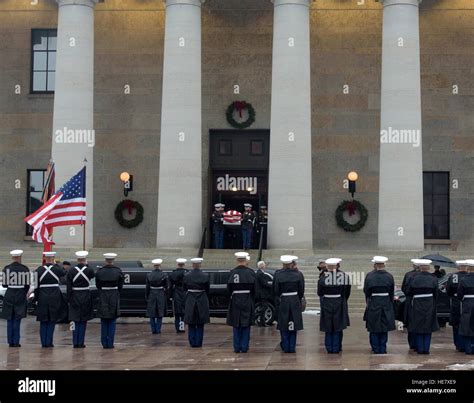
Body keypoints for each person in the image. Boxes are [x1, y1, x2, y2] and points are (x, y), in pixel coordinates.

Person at [405, 259, 439, 354]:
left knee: (418, 325)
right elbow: (436, 292)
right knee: (428, 326)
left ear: (420, 267)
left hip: (417, 303)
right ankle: (426, 349)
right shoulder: (433, 277)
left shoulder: (413, 277)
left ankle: (420, 349)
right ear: (428, 267)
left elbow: (408, 291)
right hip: (429, 303)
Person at [363, 256, 396, 354]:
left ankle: (375, 348)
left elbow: (366, 291)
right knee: (384, 326)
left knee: (373, 326)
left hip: (374, 302)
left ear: (375, 265)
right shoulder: (389, 276)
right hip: (385, 302)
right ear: (384, 265)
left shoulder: (369, 276)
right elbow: (391, 291)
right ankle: (382, 347)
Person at [317, 258, 351, 354]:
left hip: (327, 302)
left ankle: (329, 347)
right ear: (337, 265)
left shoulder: (323, 277)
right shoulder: (344, 276)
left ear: (327, 266)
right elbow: (347, 292)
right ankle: (336, 347)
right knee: (338, 326)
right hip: (339, 302)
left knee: (328, 326)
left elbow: (319, 292)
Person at [273, 255, 305, 353]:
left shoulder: (278, 274)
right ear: (291, 263)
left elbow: (275, 290)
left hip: (284, 300)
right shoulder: (298, 274)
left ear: (283, 264)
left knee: (284, 324)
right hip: (294, 300)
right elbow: (301, 290)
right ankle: (292, 347)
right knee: (293, 324)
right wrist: (297, 298)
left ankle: (286, 346)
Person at [35, 251, 66, 348]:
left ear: (45, 259)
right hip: (54, 295)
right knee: (52, 319)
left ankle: (43, 342)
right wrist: (57, 264)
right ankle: (49, 342)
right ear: (53, 258)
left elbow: (36, 286)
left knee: (43, 320)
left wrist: (36, 298)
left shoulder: (39, 270)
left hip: (43, 296)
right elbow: (64, 272)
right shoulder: (57, 269)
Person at [227, 251, 256, 353]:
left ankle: (236, 347)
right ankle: (244, 347)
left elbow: (229, 289)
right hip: (247, 298)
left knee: (236, 324)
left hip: (235, 299)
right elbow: (254, 289)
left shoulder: (232, 272)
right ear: (245, 260)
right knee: (246, 324)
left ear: (237, 260)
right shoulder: (251, 272)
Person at [0, 250, 30, 347]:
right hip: (20, 293)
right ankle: (16, 341)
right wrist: (23, 292)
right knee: (17, 318)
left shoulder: (6, 269)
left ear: (12, 257)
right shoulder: (24, 269)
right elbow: (27, 285)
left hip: (10, 293)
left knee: (10, 318)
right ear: (20, 257)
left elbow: (4, 284)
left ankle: (10, 341)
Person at [95, 253, 124, 349]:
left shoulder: (100, 271)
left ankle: (104, 342)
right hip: (114, 294)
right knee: (112, 320)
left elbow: (97, 285)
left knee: (104, 320)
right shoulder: (118, 271)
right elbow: (120, 285)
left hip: (103, 294)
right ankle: (110, 343)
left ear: (105, 260)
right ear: (113, 260)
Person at [66, 251, 95, 348]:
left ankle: (75, 342)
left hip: (74, 295)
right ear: (85, 259)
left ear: (77, 260)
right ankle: (81, 342)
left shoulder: (71, 270)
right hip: (85, 295)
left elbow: (68, 286)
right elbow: (92, 274)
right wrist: (87, 265)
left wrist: (69, 298)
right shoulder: (89, 270)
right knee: (83, 320)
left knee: (74, 320)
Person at [183, 258, 210, 347]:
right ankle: (198, 342)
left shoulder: (187, 275)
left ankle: (192, 342)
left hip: (190, 298)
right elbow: (207, 289)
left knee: (191, 322)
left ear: (192, 265)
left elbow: (184, 288)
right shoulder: (205, 275)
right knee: (200, 322)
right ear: (200, 264)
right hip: (201, 299)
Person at [446, 260, 469, 352]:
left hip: (456, 301)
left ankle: (458, 344)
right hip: (468, 301)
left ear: (458, 267)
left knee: (456, 323)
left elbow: (448, 290)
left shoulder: (453, 276)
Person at [145, 259, 168, 334]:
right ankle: (158, 329)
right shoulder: (164, 275)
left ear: (153, 266)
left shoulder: (149, 274)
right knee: (160, 312)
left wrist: (147, 296)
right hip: (160, 293)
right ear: (160, 265)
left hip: (152, 293)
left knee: (152, 313)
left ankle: (153, 329)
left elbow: (147, 287)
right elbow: (167, 286)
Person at [401, 260, 420, 351]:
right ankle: (418, 344)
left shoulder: (408, 275)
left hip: (410, 300)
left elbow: (403, 288)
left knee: (410, 322)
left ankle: (412, 344)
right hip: (422, 302)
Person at [457, 259, 474, 355]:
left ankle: (468, 349)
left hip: (467, 304)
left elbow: (459, 295)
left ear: (468, 268)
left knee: (467, 326)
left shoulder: (464, 280)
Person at [169, 258, 188, 333]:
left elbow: (170, 286)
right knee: (183, 313)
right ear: (184, 264)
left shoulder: (173, 274)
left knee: (177, 313)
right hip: (185, 292)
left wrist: (170, 296)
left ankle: (178, 328)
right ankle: (182, 328)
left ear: (177, 264)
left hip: (176, 292)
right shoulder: (187, 273)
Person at [255, 261, 273, 327]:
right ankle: (256, 315)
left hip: (260, 293)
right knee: (264, 306)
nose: (265, 266)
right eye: (264, 265)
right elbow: (264, 284)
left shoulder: (259, 273)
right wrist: (271, 285)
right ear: (262, 266)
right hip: (262, 294)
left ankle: (262, 322)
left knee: (263, 306)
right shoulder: (261, 274)